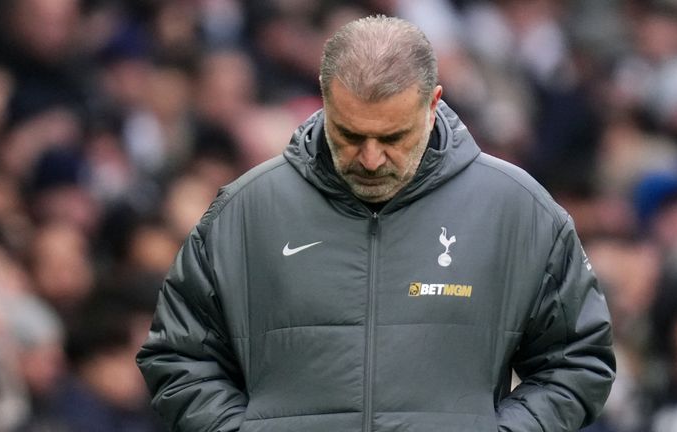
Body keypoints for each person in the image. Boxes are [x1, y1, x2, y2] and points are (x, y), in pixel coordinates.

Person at [137, 15, 615, 432]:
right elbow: (178, 357)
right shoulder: (243, 212)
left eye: (392, 136)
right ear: (323, 104)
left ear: (434, 104)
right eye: (349, 134)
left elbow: (578, 360)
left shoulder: (519, 211)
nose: (369, 158)